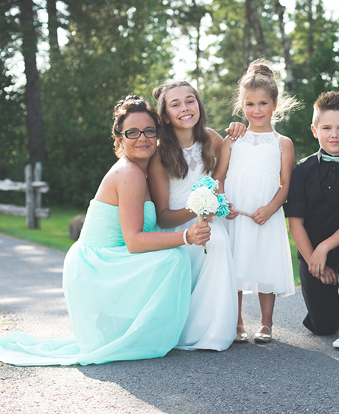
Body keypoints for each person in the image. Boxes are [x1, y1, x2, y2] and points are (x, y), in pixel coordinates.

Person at [0, 95, 210, 366]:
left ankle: (150, 332)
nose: (142, 138)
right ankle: (146, 335)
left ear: (158, 135)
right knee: (174, 258)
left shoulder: (144, 171)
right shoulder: (129, 173)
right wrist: (185, 236)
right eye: (132, 132)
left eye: (149, 131)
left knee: (173, 256)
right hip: (96, 266)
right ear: (119, 139)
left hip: (108, 259)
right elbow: (134, 242)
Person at [148, 81, 246, 352]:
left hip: (211, 222)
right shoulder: (159, 156)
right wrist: (199, 207)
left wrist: (239, 130)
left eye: (190, 100)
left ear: (199, 105)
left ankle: (216, 329)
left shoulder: (212, 139)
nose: (185, 108)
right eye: (175, 104)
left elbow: (229, 170)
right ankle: (186, 329)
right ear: (165, 116)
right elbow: (163, 217)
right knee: (209, 242)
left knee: (219, 240)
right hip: (178, 228)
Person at [213, 60, 297, 343]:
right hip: (235, 212)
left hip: (265, 214)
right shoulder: (233, 140)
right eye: (250, 104)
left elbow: (286, 183)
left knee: (265, 263)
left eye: (263, 103)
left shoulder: (282, 143)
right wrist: (223, 203)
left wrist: (271, 208)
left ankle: (266, 323)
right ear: (242, 106)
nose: (257, 110)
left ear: (275, 104)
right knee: (234, 265)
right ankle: (237, 322)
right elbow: (219, 176)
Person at [285, 91, 339, 349]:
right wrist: (315, 259)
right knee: (322, 327)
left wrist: (325, 248)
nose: (334, 134)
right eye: (326, 128)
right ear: (315, 131)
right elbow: (295, 224)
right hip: (311, 250)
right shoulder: (302, 171)